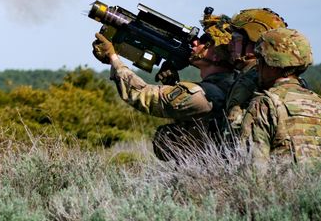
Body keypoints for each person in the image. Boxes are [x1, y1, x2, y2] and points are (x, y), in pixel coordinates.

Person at [92, 14, 237, 161]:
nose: (195, 42)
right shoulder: (232, 84)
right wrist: (171, 85)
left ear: (217, 56)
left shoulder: (204, 95)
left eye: (205, 41)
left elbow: (142, 94)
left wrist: (113, 58)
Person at [239, 28, 321, 165]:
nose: (257, 67)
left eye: (261, 60)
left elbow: (253, 169)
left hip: (285, 185)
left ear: (273, 64)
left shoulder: (265, 105)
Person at [221, 8, 288, 136]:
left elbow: (233, 135)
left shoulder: (252, 78)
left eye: (235, 40)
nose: (230, 46)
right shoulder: (275, 76)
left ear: (255, 43)